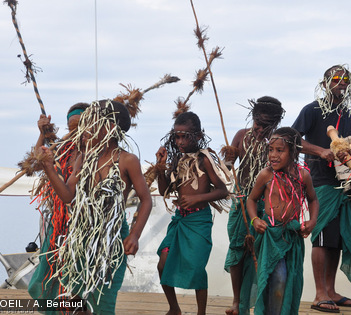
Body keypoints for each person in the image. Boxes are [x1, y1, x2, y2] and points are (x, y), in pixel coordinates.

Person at [36, 100, 153, 314]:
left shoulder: (127, 160)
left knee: (102, 302)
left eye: (91, 123)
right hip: (80, 238)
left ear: (109, 128)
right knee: (76, 300)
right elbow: (68, 196)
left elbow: (146, 199)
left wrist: (135, 235)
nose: (85, 129)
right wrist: (49, 168)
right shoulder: (83, 158)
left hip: (112, 241)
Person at [292, 64, 351, 312]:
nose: (341, 82)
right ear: (325, 83)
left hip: (346, 186)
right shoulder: (312, 110)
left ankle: (331, 291)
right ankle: (320, 294)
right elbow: (291, 140)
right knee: (321, 238)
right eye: (336, 78)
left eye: (345, 79)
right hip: (320, 182)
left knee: (336, 240)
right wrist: (320, 150)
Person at [155, 111, 230, 315]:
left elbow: (223, 190)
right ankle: (174, 308)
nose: (180, 141)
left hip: (199, 221)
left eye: (184, 136)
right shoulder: (178, 160)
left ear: (197, 136)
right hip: (180, 220)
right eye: (176, 137)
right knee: (163, 262)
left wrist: (197, 198)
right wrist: (160, 168)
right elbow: (163, 191)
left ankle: (201, 312)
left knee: (197, 269)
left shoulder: (204, 160)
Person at [223, 96, 285, 315]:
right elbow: (229, 166)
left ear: (276, 123)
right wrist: (228, 156)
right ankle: (238, 302)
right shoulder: (242, 136)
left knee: (262, 253)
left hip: (268, 202)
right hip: (242, 200)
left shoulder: (278, 143)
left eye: (266, 126)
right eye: (257, 123)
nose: (259, 129)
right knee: (238, 249)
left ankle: (262, 304)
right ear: (253, 118)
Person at [247, 127, 319, 315]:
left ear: (293, 152)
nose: (273, 155)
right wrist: (255, 219)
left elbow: (313, 199)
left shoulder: (303, 176)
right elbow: (251, 199)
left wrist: (312, 222)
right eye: (271, 150)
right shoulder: (266, 175)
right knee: (277, 278)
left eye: (280, 150)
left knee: (288, 282)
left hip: (291, 237)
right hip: (270, 236)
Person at [28, 102, 90, 306]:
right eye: (71, 127)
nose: (75, 131)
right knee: (42, 283)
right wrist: (42, 133)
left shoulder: (96, 153)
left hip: (83, 227)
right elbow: (37, 160)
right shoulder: (62, 149)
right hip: (58, 225)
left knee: (72, 285)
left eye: (79, 125)